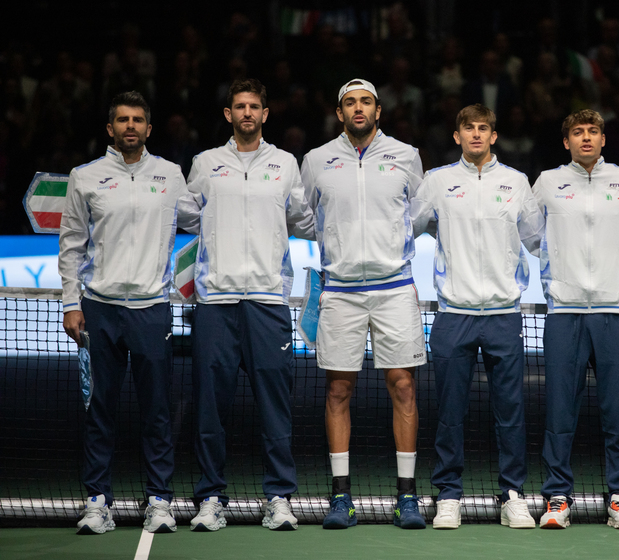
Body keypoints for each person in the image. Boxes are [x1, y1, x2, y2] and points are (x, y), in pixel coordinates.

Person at [180, 78, 314, 532]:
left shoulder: (286, 164)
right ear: (228, 115)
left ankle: (278, 497)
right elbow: (177, 213)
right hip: (215, 303)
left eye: (255, 106)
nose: (247, 114)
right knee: (209, 409)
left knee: (275, 408)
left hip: (268, 303)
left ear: (265, 114)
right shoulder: (205, 164)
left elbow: (305, 219)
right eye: (239, 107)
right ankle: (211, 498)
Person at [410, 104, 544, 530]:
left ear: (493, 135)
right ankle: (448, 496)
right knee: (449, 411)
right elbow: (408, 227)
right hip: (454, 314)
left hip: (505, 313)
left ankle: (513, 496)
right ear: (457, 136)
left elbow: (538, 241)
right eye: (468, 128)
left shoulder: (517, 183)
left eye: (483, 128)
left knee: (511, 412)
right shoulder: (437, 181)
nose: (475, 135)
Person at [300, 79, 427, 529]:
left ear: (379, 110)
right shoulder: (316, 160)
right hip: (339, 292)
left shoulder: (406, 156)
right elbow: (301, 215)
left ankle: (407, 497)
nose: (359, 108)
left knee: (404, 387)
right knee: (337, 391)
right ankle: (341, 498)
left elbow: (423, 212)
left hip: (395, 288)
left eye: (366, 102)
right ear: (339, 113)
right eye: (350, 103)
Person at [59, 91, 187, 534]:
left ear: (149, 129)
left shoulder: (171, 175)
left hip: (152, 309)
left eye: (138, 120)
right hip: (99, 309)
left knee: (157, 412)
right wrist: (71, 302)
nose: (130, 126)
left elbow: (201, 218)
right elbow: (72, 241)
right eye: (122, 120)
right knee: (101, 409)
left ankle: (160, 500)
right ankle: (97, 501)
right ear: (110, 128)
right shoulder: (85, 177)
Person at [531, 109, 619, 529]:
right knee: (560, 412)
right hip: (564, 311)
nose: (585, 138)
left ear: (603, 139)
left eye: (592, 131)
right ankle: (557, 498)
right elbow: (530, 234)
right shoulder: (546, 182)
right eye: (577, 132)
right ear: (566, 142)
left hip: (615, 311)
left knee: (618, 413)